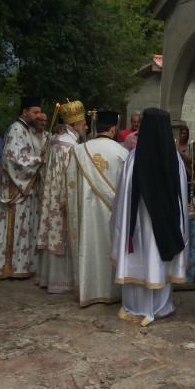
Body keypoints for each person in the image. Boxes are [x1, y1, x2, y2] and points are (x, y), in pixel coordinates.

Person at [110, 107, 188, 324]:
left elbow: (123, 197)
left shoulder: (134, 158)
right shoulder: (175, 159)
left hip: (139, 225)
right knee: (160, 261)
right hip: (166, 224)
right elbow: (182, 196)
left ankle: (137, 307)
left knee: (141, 260)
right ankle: (162, 306)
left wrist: (121, 221)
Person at [66, 109, 128, 307]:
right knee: (109, 247)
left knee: (89, 247)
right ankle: (112, 291)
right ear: (113, 128)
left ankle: (88, 289)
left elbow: (71, 185)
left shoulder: (79, 150)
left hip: (86, 214)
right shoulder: (122, 152)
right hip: (112, 214)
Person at [0, 96, 44, 280]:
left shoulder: (26, 130)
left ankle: (20, 265)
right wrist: (39, 160)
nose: (38, 115)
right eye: (35, 112)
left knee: (23, 229)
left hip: (24, 189)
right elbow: (12, 158)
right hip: (14, 190)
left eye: (39, 112)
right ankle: (6, 266)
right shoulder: (16, 130)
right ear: (24, 112)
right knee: (13, 228)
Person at [35, 100, 88, 293]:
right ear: (75, 125)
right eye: (84, 124)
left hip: (52, 196)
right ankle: (62, 281)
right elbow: (69, 175)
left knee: (53, 232)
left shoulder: (57, 141)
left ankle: (48, 277)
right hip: (64, 199)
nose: (86, 127)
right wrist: (70, 199)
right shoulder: (69, 146)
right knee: (62, 234)